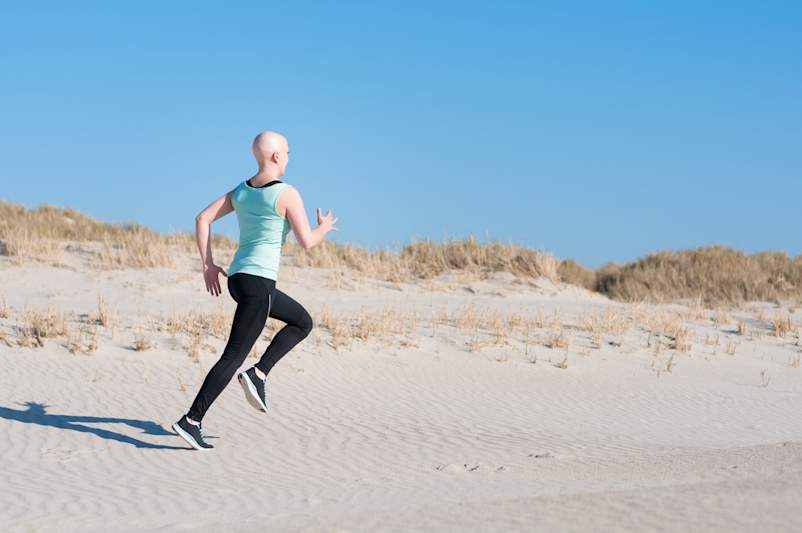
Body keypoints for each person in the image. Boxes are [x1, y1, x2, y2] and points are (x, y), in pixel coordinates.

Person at [172, 131, 338, 450]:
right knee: (233, 355)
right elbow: (307, 242)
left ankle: (259, 373)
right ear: (276, 156)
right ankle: (191, 421)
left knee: (302, 321)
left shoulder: (241, 191)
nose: (289, 157)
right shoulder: (287, 193)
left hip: (239, 279)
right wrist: (324, 228)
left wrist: (208, 264)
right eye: (287, 152)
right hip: (259, 283)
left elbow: (202, 218)